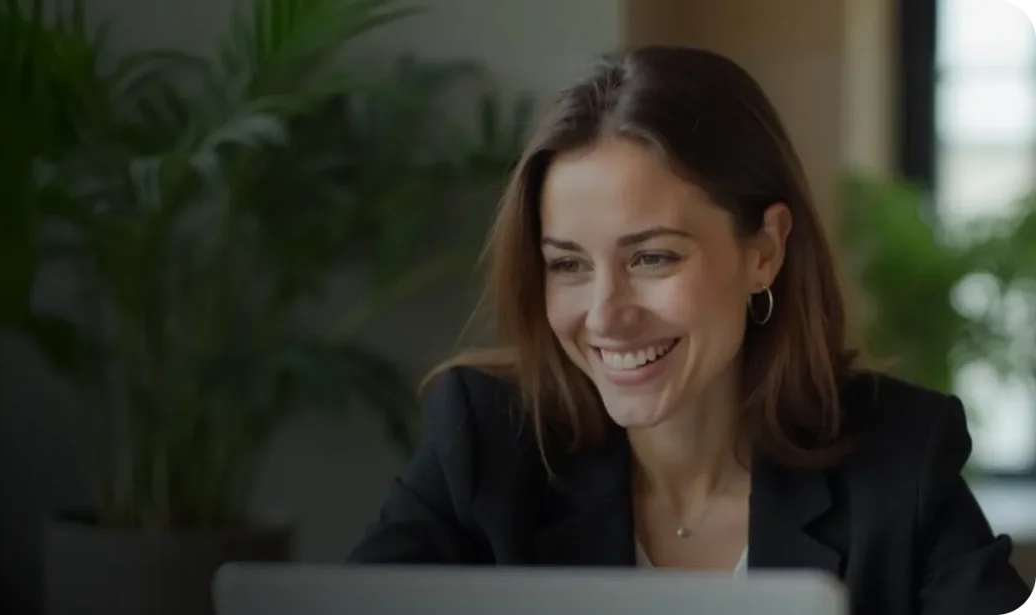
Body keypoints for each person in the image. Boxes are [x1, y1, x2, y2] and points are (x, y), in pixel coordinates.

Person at [345, 46, 1032, 614]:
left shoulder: (898, 458)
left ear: (763, 252)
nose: (607, 313)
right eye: (568, 264)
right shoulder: (485, 444)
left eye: (652, 257)